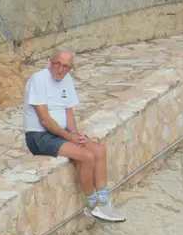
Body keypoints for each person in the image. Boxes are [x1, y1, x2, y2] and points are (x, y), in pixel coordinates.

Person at [24, 49, 126, 222]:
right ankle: (92, 205)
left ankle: (104, 203)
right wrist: (69, 137)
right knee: (86, 156)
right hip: (39, 136)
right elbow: (45, 120)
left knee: (99, 150)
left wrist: (75, 134)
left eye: (66, 67)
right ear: (50, 62)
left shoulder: (67, 80)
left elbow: (68, 112)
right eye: (58, 64)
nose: (61, 69)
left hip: (61, 133)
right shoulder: (38, 80)